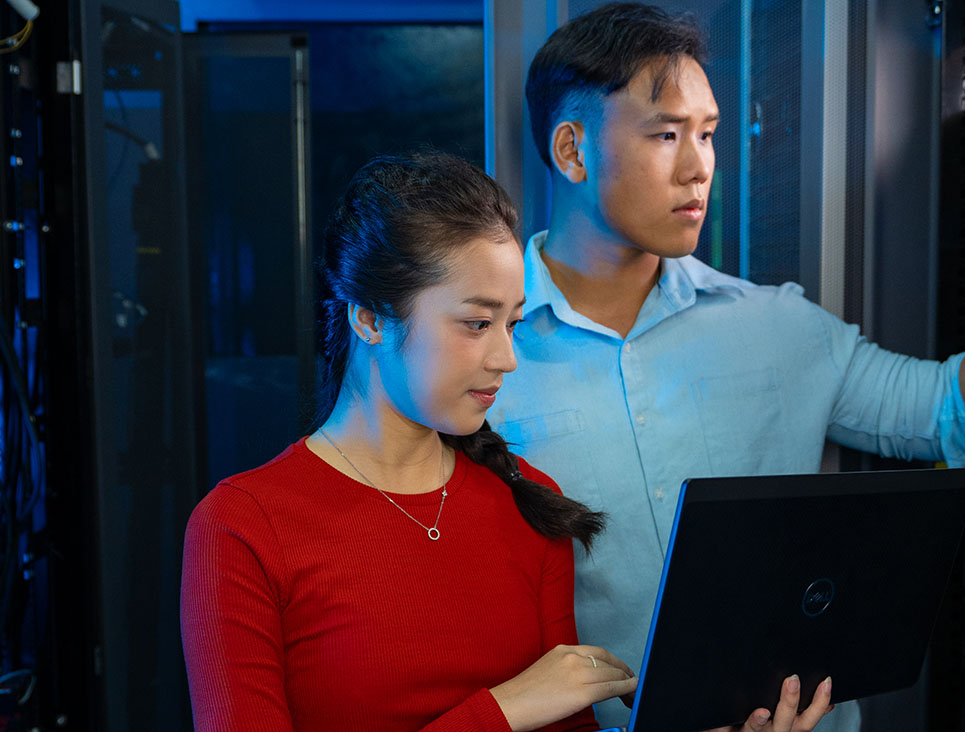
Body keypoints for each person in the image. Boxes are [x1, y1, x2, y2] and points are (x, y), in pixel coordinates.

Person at [486, 3, 965, 730]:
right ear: (572, 150)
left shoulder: (776, 326)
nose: (699, 167)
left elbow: (957, 414)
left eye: (708, 134)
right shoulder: (482, 357)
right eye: (665, 134)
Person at [180, 153, 643, 732]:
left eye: (512, 324)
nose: (507, 358)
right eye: (477, 324)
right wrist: (501, 712)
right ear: (370, 320)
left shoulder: (529, 501)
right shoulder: (242, 526)